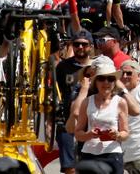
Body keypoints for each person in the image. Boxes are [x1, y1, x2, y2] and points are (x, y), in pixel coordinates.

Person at [65, 56, 130, 174]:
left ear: (114, 82)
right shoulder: (87, 102)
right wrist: (89, 134)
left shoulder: (120, 102)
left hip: (112, 154)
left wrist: (117, 135)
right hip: (89, 154)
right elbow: (78, 133)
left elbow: (126, 133)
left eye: (110, 79)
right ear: (96, 81)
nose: (106, 82)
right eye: (101, 79)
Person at [55, 30, 94, 174]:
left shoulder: (97, 66)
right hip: (66, 117)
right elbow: (58, 92)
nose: (80, 47)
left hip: (89, 119)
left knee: (88, 163)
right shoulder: (63, 67)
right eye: (76, 44)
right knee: (69, 165)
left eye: (84, 44)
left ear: (90, 46)